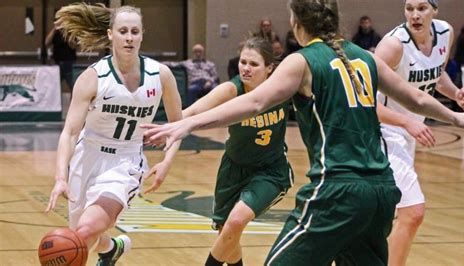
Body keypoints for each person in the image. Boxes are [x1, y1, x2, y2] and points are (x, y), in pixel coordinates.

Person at [142, 0, 464, 265]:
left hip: (337, 190)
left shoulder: (302, 60)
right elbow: (416, 97)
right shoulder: (366, 57)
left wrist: (187, 123)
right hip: (381, 191)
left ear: (298, 25)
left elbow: (255, 101)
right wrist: (457, 117)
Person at [44, 3, 182, 266]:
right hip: (88, 156)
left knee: (81, 235)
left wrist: (167, 161)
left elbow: (178, 124)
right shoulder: (93, 77)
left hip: (126, 162)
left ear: (142, 35)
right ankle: (110, 249)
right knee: (84, 234)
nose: (129, 37)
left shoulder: (161, 75)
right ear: (110, 35)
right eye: (122, 31)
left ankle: (104, 247)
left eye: (134, 31)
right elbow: (70, 132)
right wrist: (60, 177)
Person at [374, 1, 464, 265]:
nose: (415, 15)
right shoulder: (393, 45)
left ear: (435, 9)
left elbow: (436, 76)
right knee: (412, 212)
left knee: (387, 214)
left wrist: (455, 94)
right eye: (409, 8)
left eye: (422, 8)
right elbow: (361, 99)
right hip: (382, 130)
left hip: (409, 132)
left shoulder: (445, 32)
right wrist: (406, 123)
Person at [183, 37, 293, 266]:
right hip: (233, 168)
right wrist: (167, 126)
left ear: (269, 68)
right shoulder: (232, 89)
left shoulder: (282, 89)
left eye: (254, 64)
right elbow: (193, 110)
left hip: (269, 171)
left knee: (235, 223)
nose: (246, 68)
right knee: (227, 233)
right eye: (243, 62)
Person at [45, 20, 77, 91]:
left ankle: (72, 101)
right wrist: (54, 29)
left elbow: (74, 46)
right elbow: (47, 42)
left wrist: (67, 32)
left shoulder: (71, 31)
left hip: (69, 62)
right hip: (57, 62)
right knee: (54, 86)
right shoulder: (56, 32)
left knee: (73, 86)